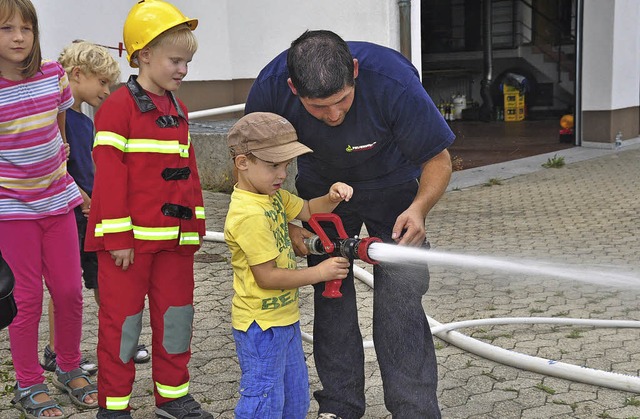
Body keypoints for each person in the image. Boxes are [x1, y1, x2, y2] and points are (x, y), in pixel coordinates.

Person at [245, 30, 455, 419]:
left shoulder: (393, 80)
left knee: (401, 301)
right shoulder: (270, 89)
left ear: (355, 71)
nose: (334, 115)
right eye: (318, 107)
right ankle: (340, 407)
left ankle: (415, 410)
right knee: (332, 298)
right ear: (293, 89)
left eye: (342, 100)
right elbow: (253, 168)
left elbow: (438, 158)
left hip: (392, 187)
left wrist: (419, 209)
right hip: (320, 197)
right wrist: (289, 222)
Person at [84, 1, 211, 418]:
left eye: (187, 62)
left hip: (174, 245)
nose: (183, 70)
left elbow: (189, 173)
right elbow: (108, 179)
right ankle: (114, 407)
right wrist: (118, 237)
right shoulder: (117, 108)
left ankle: (172, 398)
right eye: (176, 60)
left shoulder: (178, 108)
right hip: (128, 248)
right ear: (143, 56)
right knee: (122, 326)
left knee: (176, 320)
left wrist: (193, 229)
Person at [0, 0, 99, 417]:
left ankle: (69, 364)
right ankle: (27, 381)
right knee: (26, 299)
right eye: (6, 28)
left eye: (26, 28)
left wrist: (69, 184)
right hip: (12, 210)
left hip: (58, 202)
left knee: (69, 291)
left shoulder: (53, 76)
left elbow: (60, 140)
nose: (19, 37)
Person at [224, 112, 353, 419]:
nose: (282, 173)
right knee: (263, 402)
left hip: (284, 320)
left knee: (294, 400)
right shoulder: (249, 215)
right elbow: (266, 277)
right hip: (261, 328)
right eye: (273, 165)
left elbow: (308, 209)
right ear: (243, 163)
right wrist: (319, 273)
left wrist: (332, 196)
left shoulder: (273, 196)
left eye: (285, 165)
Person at [39, 40, 154, 380]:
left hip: (92, 217)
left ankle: (122, 339)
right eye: (102, 82)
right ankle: (55, 352)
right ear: (77, 75)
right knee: (65, 286)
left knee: (105, 281)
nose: (107, 90)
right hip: (68, 216)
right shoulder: (55, 120)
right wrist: (84, 199)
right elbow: (58, 167)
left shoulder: (86, 123)